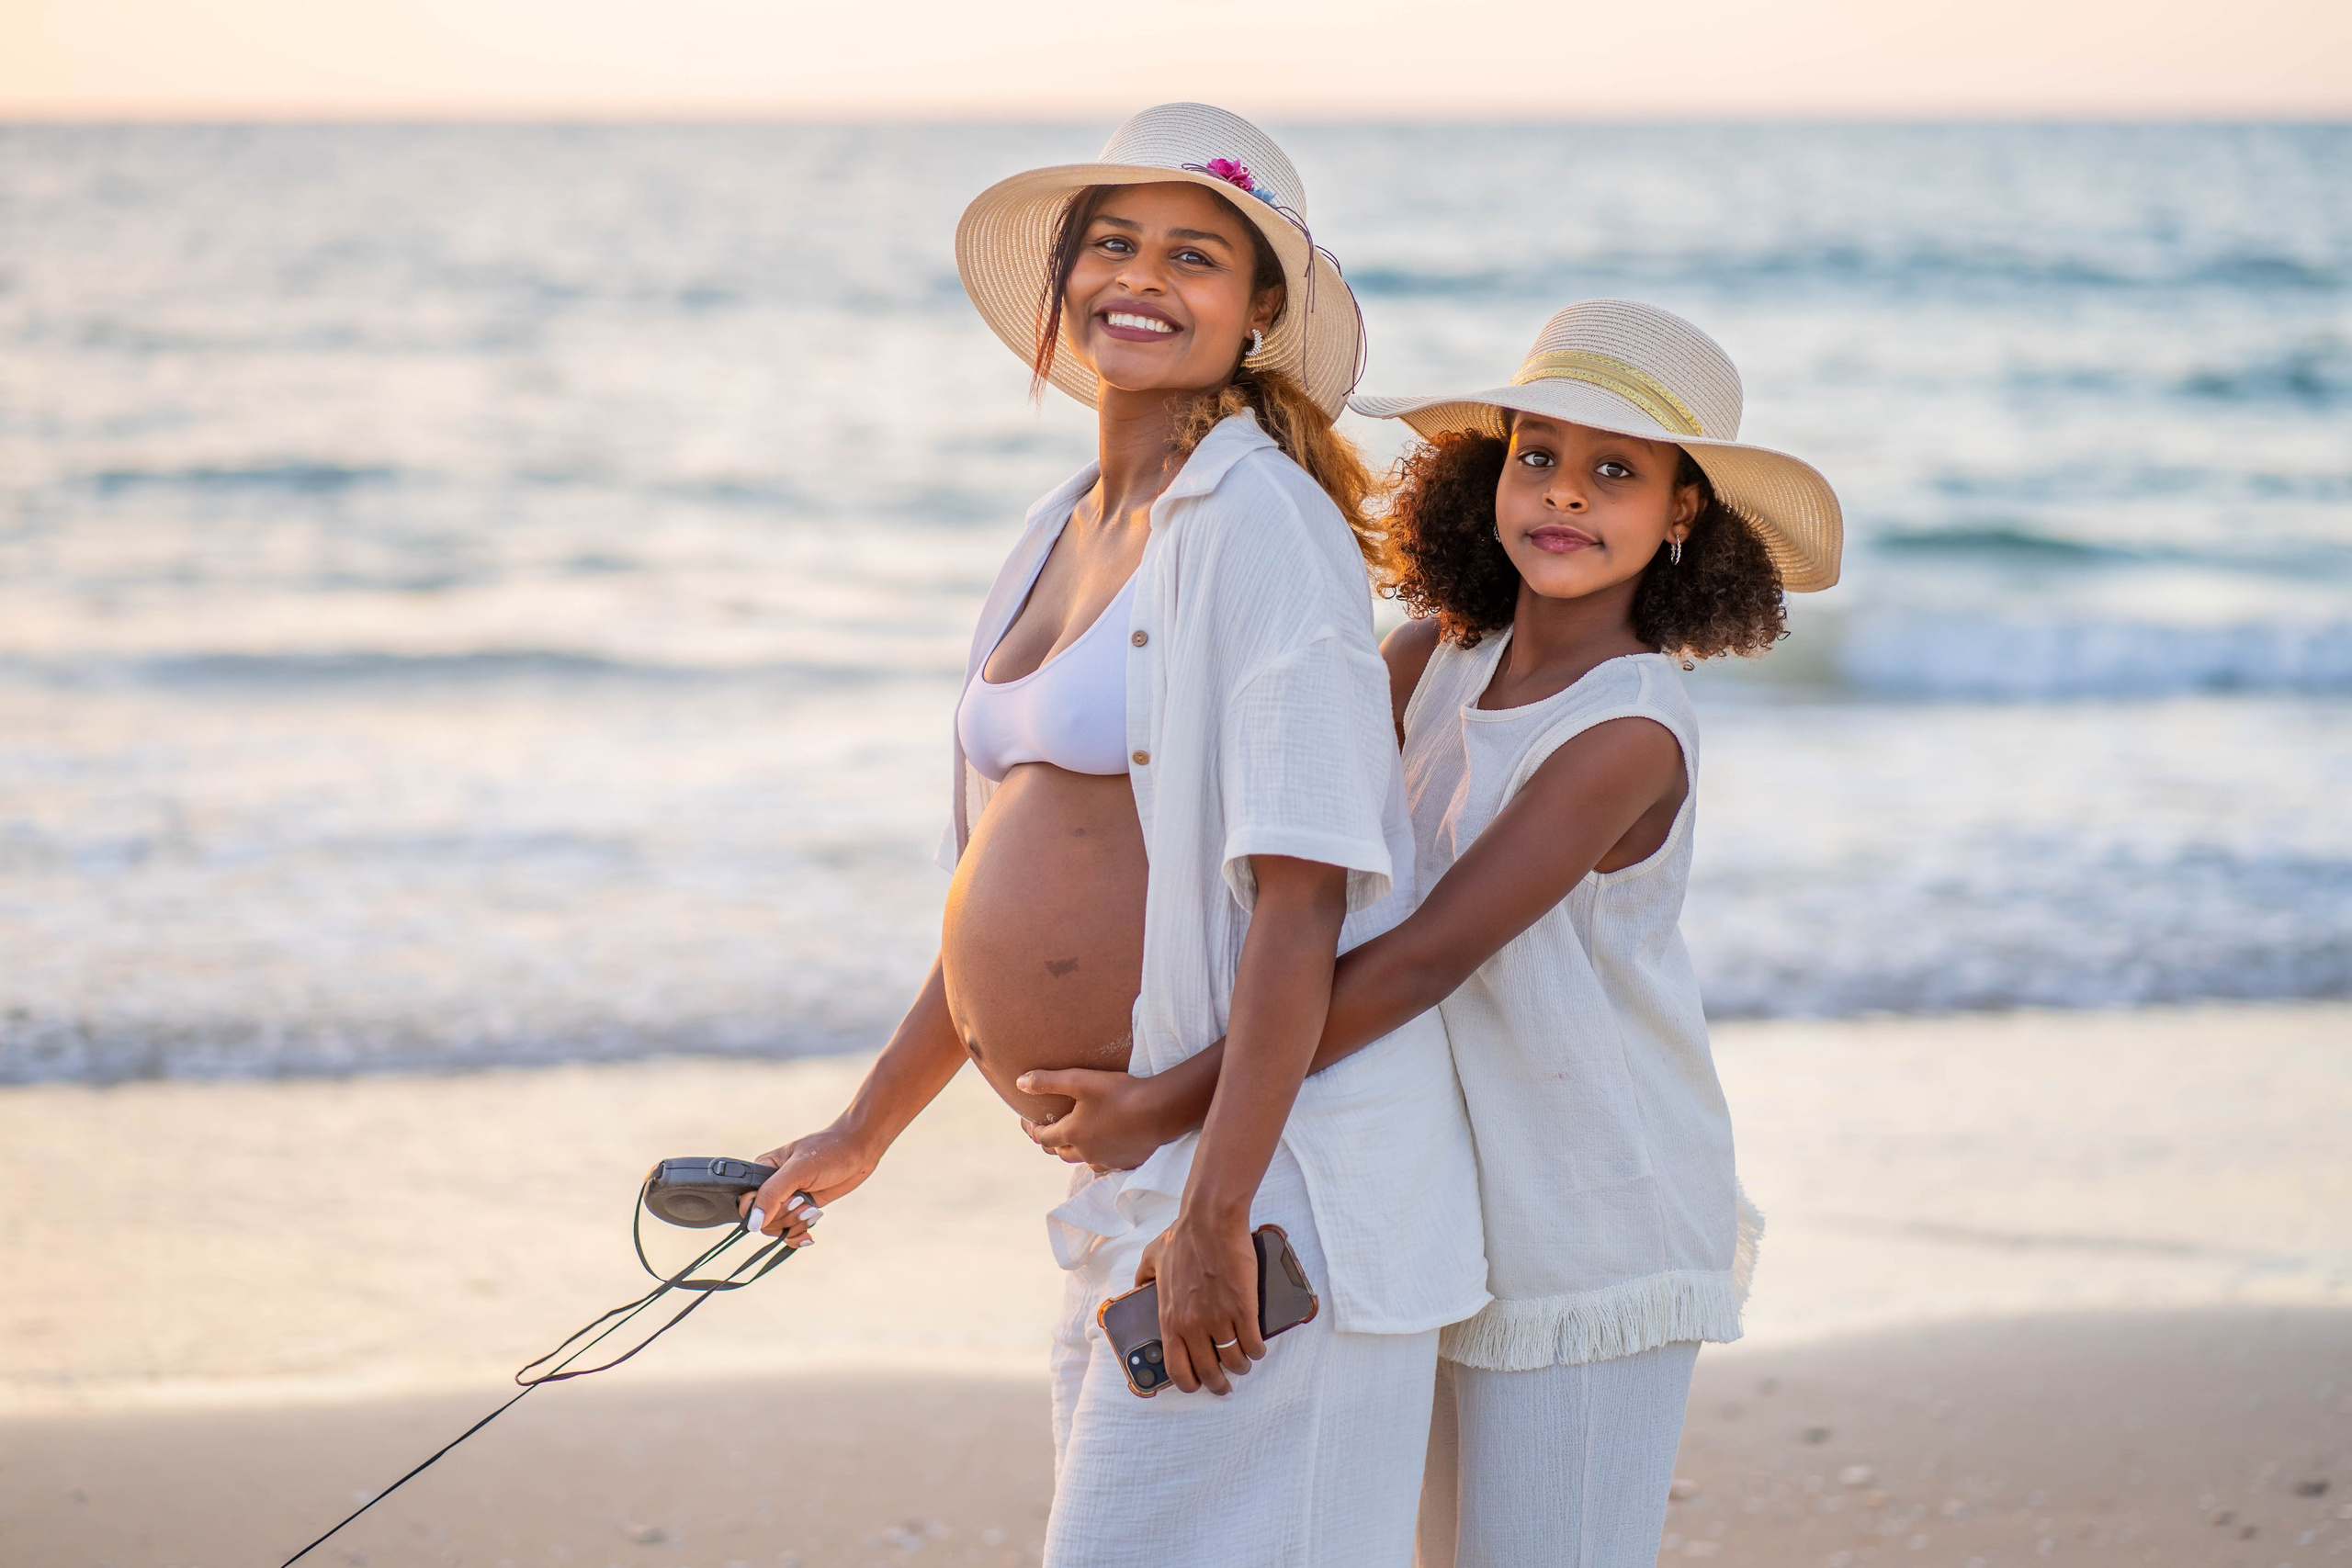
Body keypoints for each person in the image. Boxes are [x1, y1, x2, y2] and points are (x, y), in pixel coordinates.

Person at [738, 103, 1486, 1568]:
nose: (1142, 278)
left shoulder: (1264, 526)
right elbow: (996, 888)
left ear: (1258, 311)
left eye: (1195, 255)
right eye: (1114, 245)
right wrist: (862, 1130)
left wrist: (1211, 1215)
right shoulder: (1055, 524)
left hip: (1272, 1193)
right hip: (1132, 1193)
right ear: (1066, 279)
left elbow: (1302, 904)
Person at [1020, 299, 1843, 1567]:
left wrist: (1172, 1105)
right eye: (1538, 455)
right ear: (1490, 469)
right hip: (1432, 1204)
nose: (1563, 496)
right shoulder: (1429, 654)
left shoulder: (1626, 730)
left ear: (1682, 515)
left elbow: (1419, 956)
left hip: (1586, 1218)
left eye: (1615, 472)